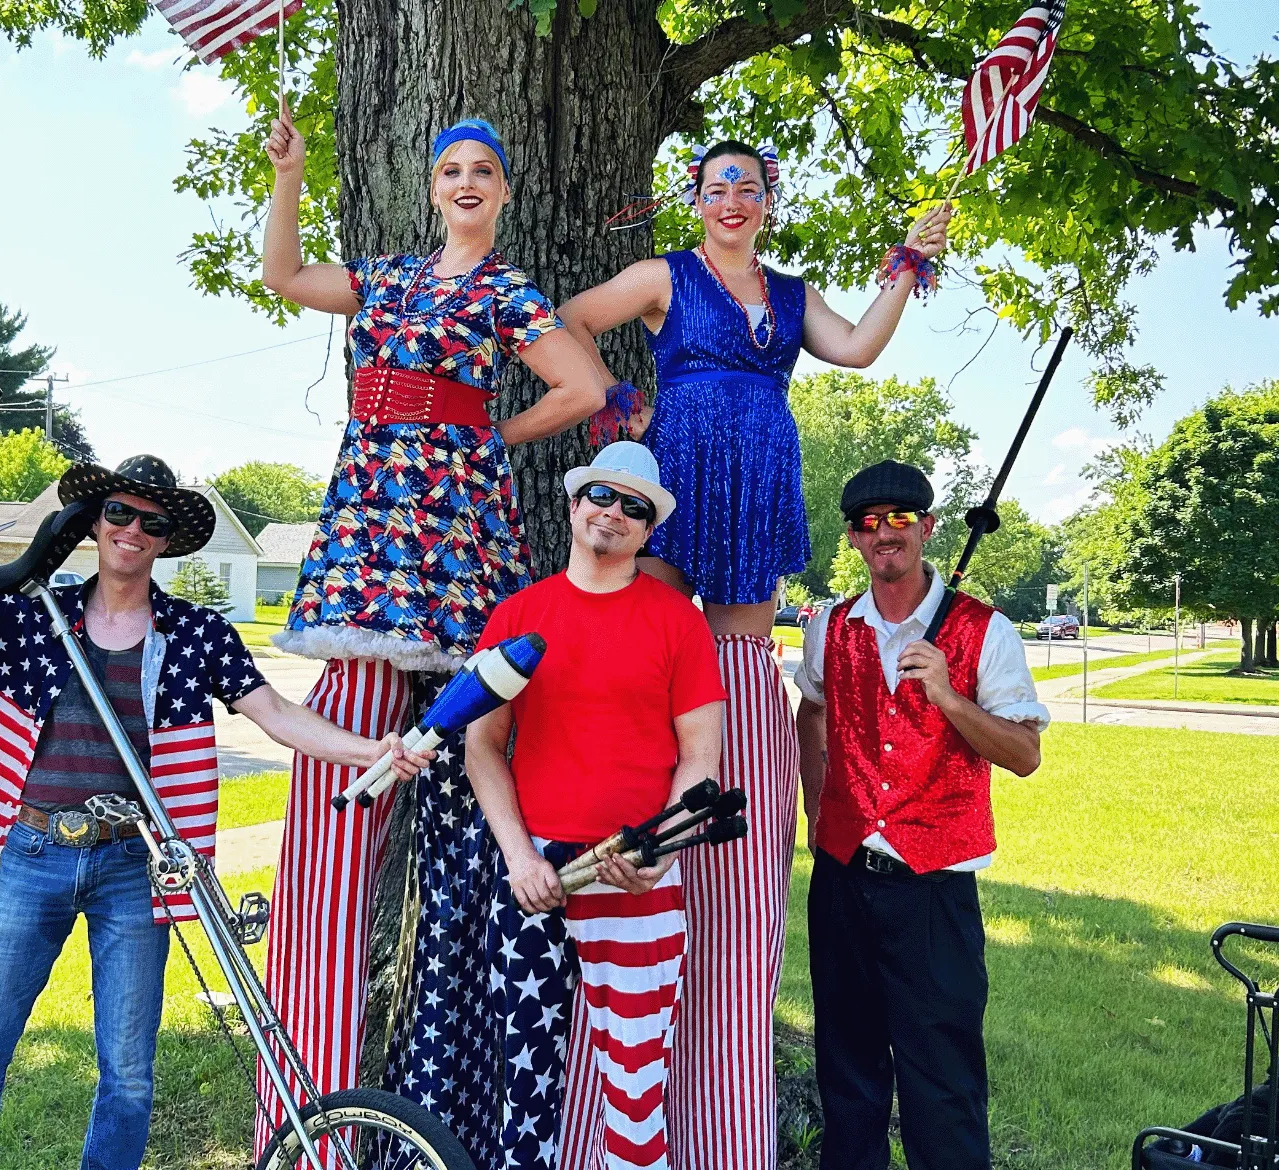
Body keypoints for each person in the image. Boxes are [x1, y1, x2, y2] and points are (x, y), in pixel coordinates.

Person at [0, 453, 429, 1170]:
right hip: (34, 853)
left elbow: (275, 713)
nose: (132, 530)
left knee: (128, 1073)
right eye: (119, 512)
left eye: (153, 522)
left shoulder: (196, 635)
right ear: (94, 523)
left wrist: (370, 751)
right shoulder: (35, 614)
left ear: (167, 541)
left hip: (136, 869)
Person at [553, 141, 953, 1169]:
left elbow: (858, 349)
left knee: (736, 651)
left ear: (769, 202)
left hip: (761, 468)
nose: (731, 199)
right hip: (679, 457)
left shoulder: (791, 293)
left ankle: (721, 798)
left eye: (748, 186)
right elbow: (570, 320)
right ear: (695, 201)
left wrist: (906, 265)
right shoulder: (664, 277)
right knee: (648, 627)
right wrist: (619, 407)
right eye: (715, 186)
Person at [258, 106, 615, 1149]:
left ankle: (461, 1093)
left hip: (453, 530)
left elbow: (584, 386)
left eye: (482, 172)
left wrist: (489, 434)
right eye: (450, 168)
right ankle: (313, 1103)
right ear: (432, 186)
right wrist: (289, 177)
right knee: (353, 758)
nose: (465, 182)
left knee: (468, 761)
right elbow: (284, 277)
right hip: (370, 528)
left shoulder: (506, 291)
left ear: (502, 193)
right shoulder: (385, 277)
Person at [466, 442, 726, 1170]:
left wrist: (660, 850)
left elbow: (701, 758)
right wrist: (518, 857)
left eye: (633, 507)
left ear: (647, 530)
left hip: (634, 870)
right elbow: (482, 745)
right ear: (575, 504)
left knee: (636, 1087)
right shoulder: (518, 616)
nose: (613, 513)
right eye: (601, 496)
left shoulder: (679, 622)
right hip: (533, 873)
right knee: (523, 1083)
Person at [792, 461, 1048, 1170]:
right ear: (853, 537)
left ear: (927, 528)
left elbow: (1025, 753)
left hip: (933, 890)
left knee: (943, 1084)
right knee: (847, 1074)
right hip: (843, 881)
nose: (885, 533)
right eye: (869, 522)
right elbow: (811, 711)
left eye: (900, 518)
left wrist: (948, 696)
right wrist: (817, 807)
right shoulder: (830, 626)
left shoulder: (984, 631)